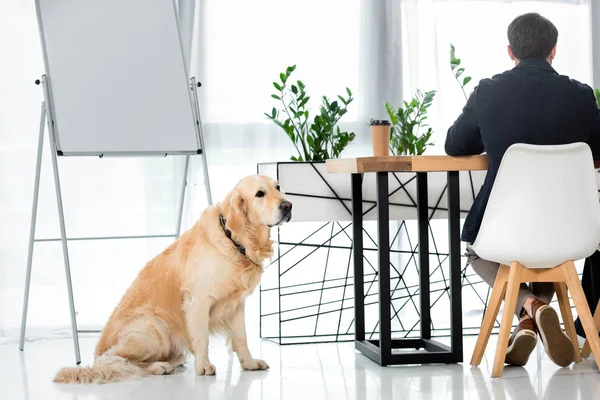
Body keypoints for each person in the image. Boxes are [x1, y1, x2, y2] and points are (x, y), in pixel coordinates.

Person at [445, 12, 600, 367]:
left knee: (476, 252)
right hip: (570, 232)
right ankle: (535, 315)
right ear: (554, 51)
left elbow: (455, 145)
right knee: (545, 252)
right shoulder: (581, 96)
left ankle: (530, 309)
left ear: (510, 51)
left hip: (508, 231)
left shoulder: (489, 91)